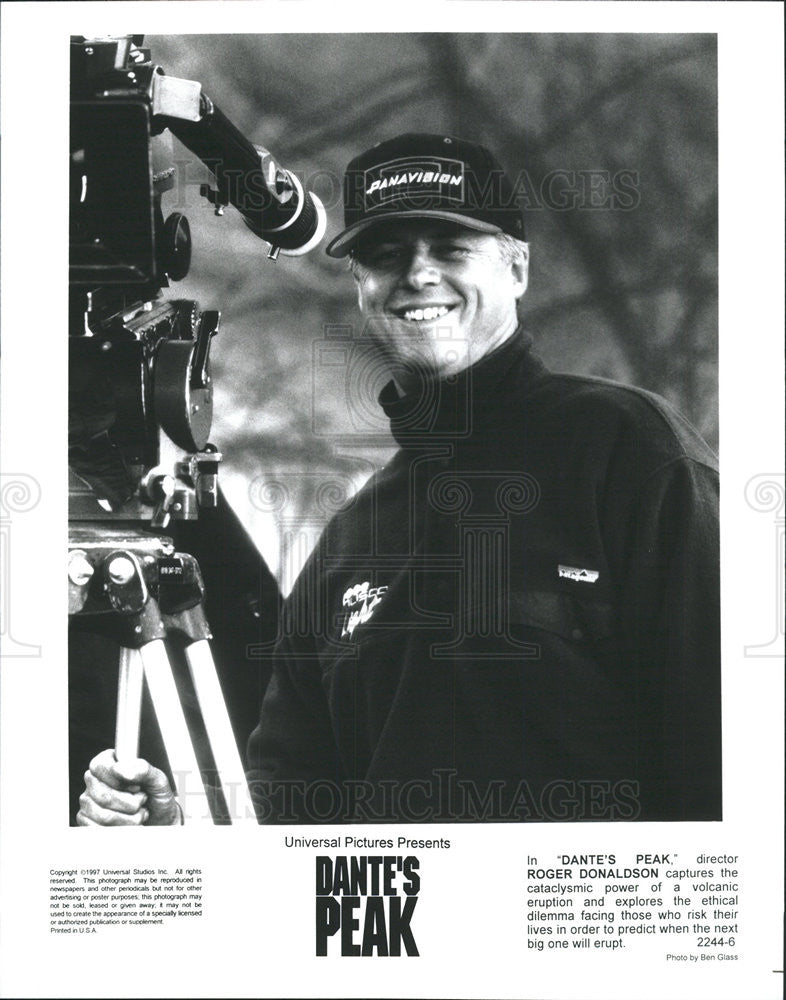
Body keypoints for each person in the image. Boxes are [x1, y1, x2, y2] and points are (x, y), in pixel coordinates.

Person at [77, 133, 721, 826]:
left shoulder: (626, 449)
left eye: (450, 248)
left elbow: (727, 749)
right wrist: (176, 825)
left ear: (518, 269)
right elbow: (292, 815)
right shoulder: (349, 544)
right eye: (386, 255)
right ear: (360, 287)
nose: (417, 274)